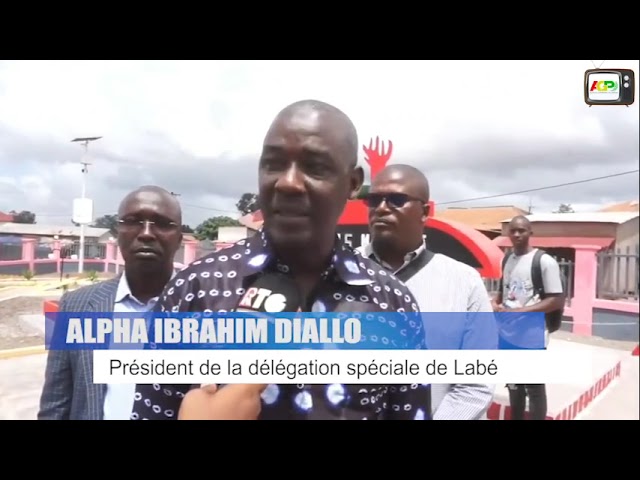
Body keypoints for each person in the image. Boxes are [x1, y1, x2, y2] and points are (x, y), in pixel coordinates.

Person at [130, 99, 431, 421]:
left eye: (315, 167)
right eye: (273, 163)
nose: (287, 182)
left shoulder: (392, 301)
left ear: (353, 183)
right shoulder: (194, 290)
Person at [358, 164, 498, 420]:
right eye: (374, 200)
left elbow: (476, 384)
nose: (381, 208)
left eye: (396, 200)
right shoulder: (337, 274)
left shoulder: (464, 282)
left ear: (424, 212)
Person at [38, 186, 183, 420]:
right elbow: (55, 404)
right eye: (133, 221)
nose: (146, 233)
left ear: (179, 239)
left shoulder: (207, 311)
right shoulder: (74, 306)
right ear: (118, 233)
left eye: (162, 223)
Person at [491, 215, 564, 420]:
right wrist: (496, 303)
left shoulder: (544, 261)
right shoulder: (507, 259)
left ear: (530, 232)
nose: (516, 234)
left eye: (521, 230)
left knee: (533, 387)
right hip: (508, 334)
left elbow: (556, 300)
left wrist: (517, 313)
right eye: (512, 230)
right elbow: (504, 290)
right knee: (514, 386)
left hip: (532, 333)